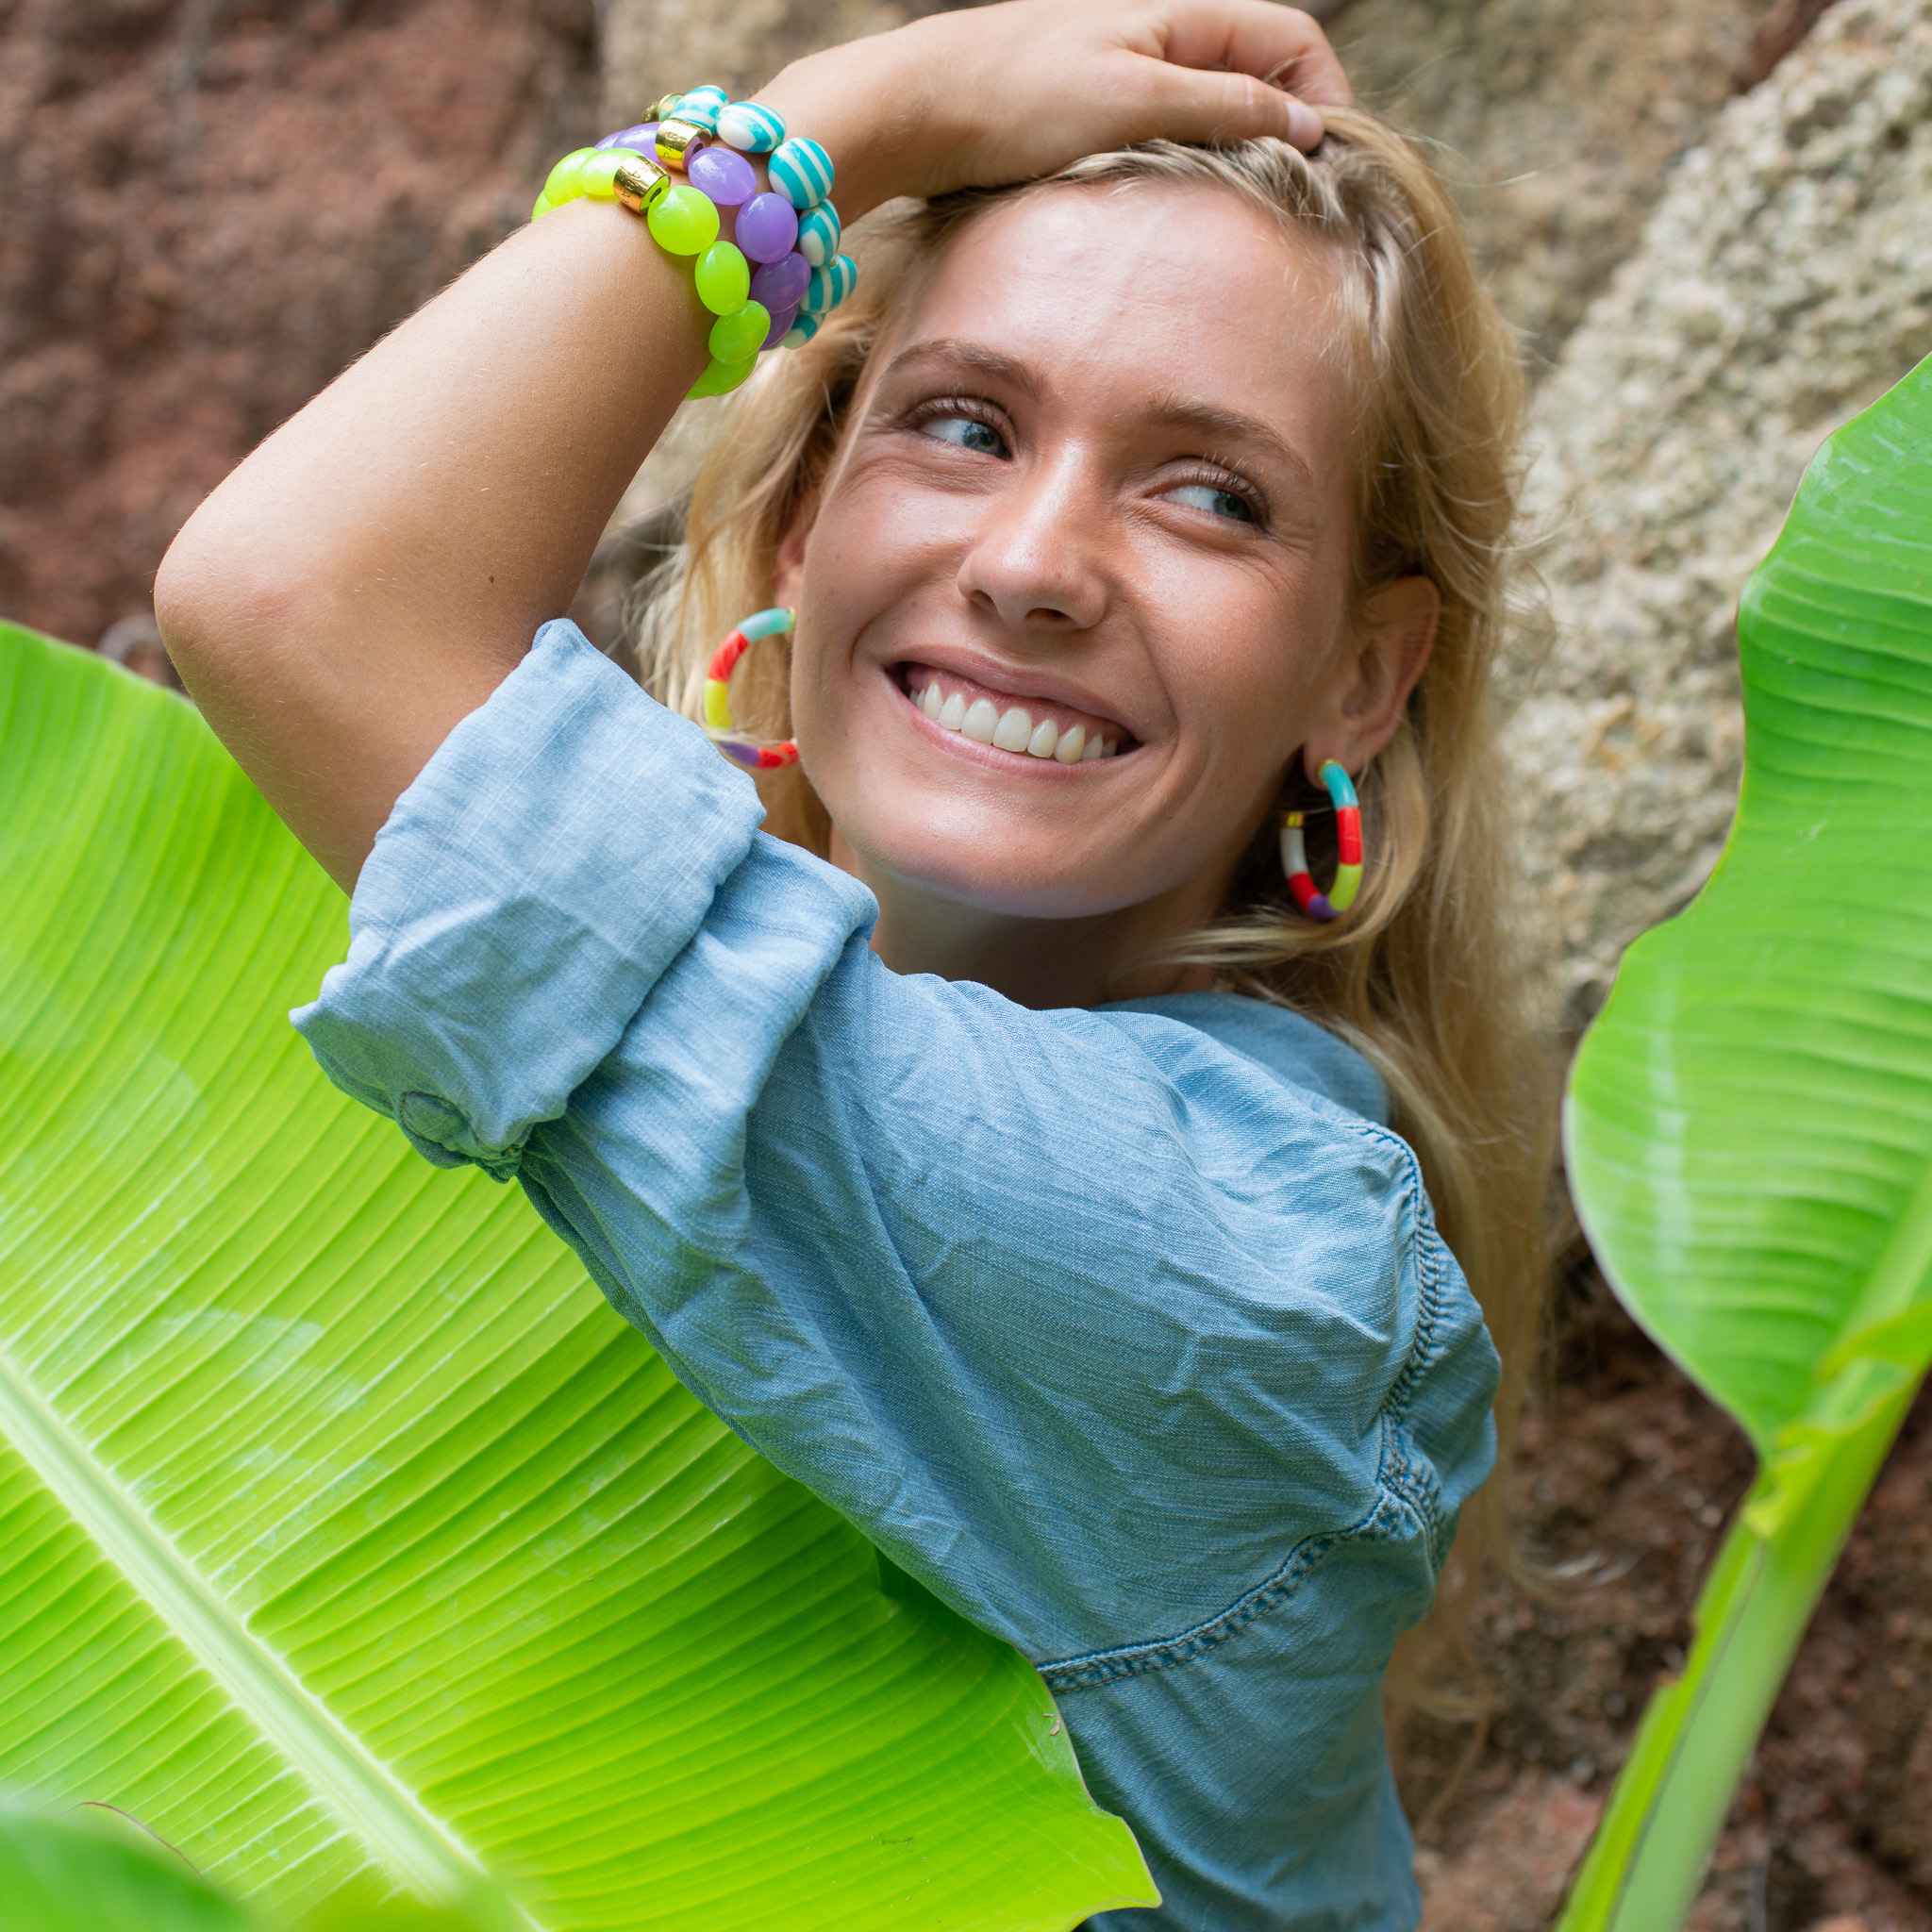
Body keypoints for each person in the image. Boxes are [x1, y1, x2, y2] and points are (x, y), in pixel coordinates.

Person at [153, 3, 1562, 1924]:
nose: (1037, 562)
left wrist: (849, 117)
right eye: (963, 425)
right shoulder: (653, 1091)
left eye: (1209, 494)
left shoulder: (1234, 1244)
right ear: (808, 513)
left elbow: (302, 598)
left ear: (1358, 671)